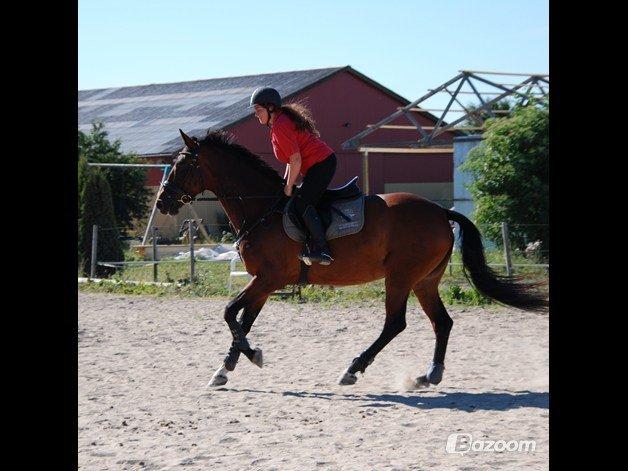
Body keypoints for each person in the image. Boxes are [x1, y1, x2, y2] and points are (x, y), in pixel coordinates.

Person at [250, 86, 336, 266]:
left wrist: (289, 186)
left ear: (270, 108)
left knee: (303, 203)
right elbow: (291, 161)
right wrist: (285, 183)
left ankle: (322, 249)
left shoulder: (281, 126)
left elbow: (296, 159)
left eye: (258, 110)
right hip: (317, 166)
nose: (256, 114)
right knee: (297, 200)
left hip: (322, 164)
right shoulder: (277, 125)